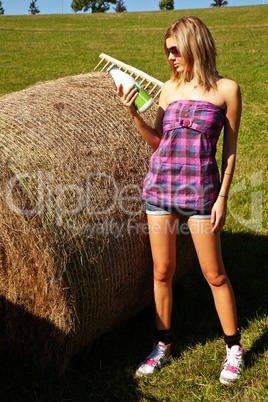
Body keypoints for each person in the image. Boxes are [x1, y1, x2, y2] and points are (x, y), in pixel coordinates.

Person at [116, 16, 244, 386]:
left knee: (214, 274)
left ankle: (233, 348)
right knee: (161, 272)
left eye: (175, 49)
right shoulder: (168, 91)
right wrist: (132, 112)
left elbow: (231, 151)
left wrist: (222, 197)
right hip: (160, 191)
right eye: (167, 51)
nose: (170, 57)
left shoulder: (227, 90)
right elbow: (158, 141)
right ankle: (163, 344)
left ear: (193, 44)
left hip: (202, 194)